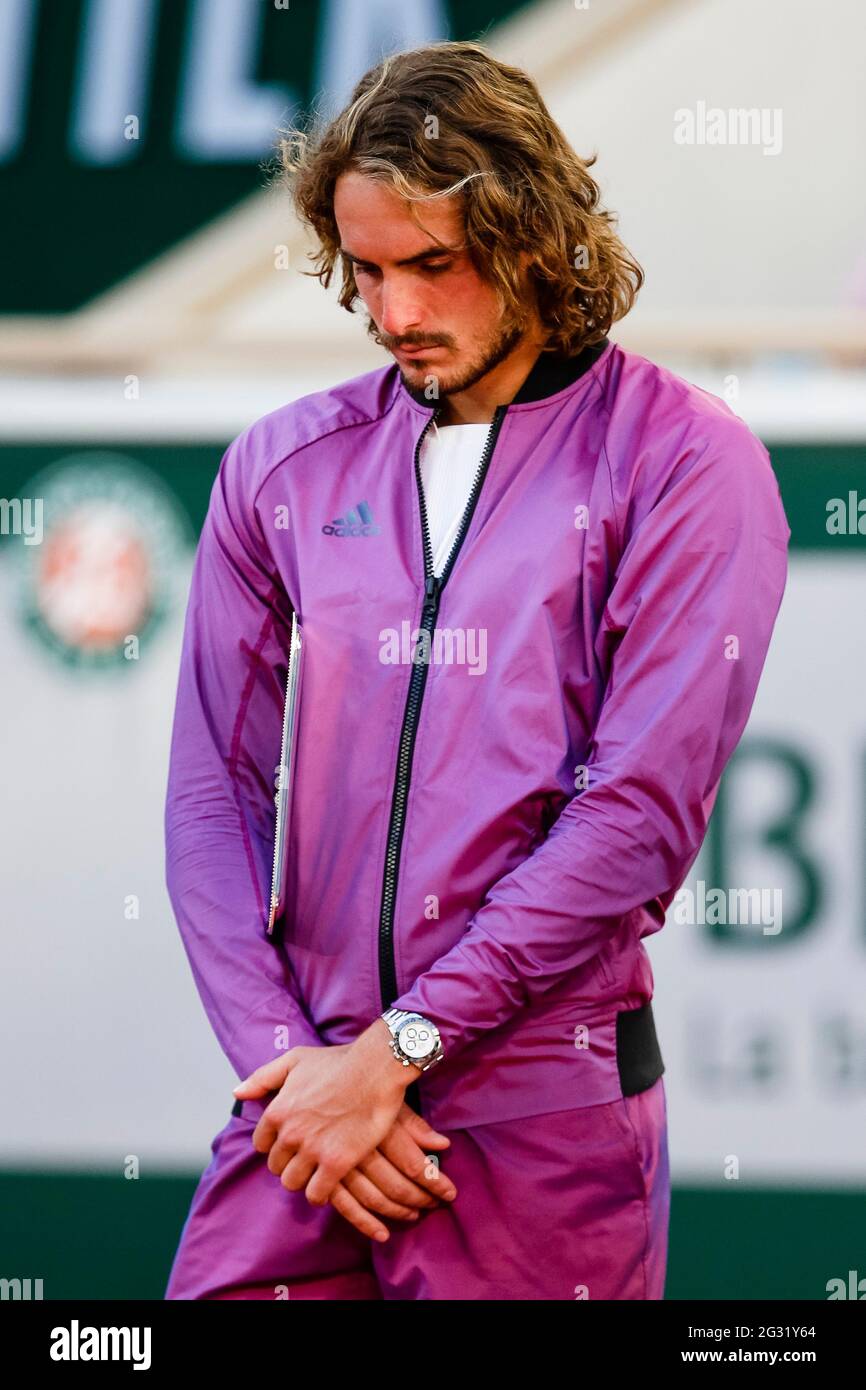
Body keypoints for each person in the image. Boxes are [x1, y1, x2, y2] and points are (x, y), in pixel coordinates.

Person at [163, 40, 789, 1301]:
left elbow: (632, 821)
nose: (393, 312)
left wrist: (394, 1053)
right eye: (367, 269)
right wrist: (299, 1067)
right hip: (304, 1117)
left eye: (430, 265)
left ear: (530, 235)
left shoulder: (683, 464)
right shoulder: (283, 468)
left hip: (537, 1130)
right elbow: (210, 800)